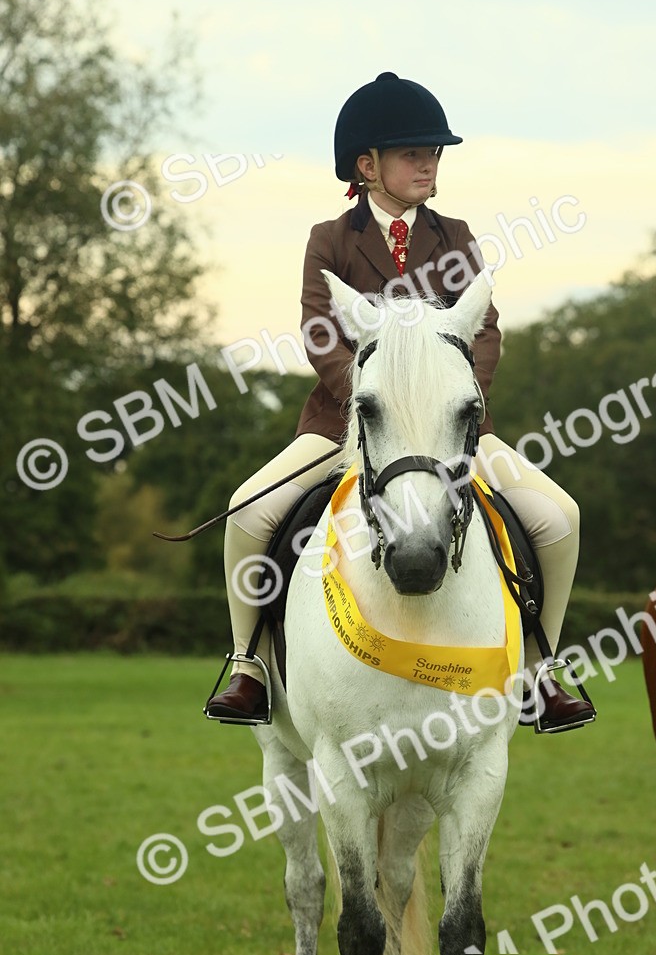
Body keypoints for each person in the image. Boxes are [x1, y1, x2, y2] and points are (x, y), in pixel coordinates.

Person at [206, 71, 593, 732]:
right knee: (248, 511)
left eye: (434, 153)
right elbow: (319, 333)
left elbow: (486, 327)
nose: (429, 164)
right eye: (414, 152)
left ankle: (539, 666)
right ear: (367, 164)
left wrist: (454, 401)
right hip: (344, 426)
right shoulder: (329, 239)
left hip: (449, 432)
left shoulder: (457, 235)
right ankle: (250, 663)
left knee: (559, 517)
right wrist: (371, 402)